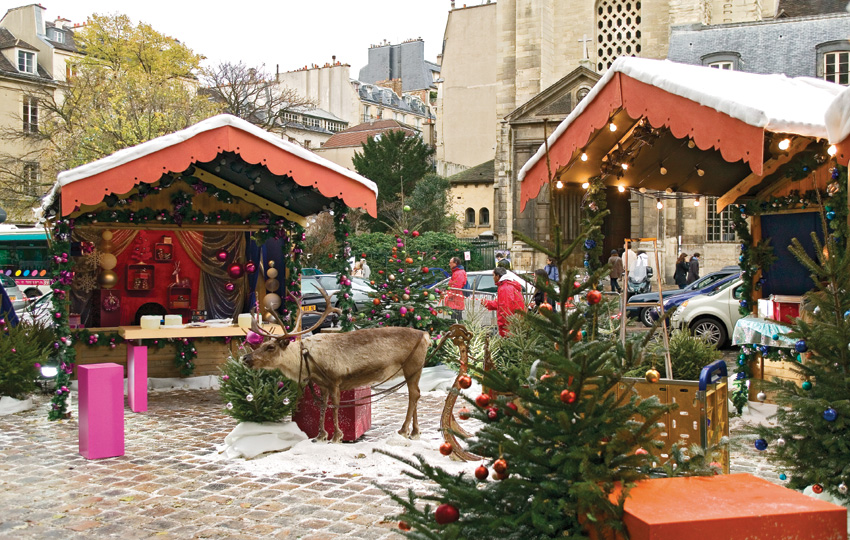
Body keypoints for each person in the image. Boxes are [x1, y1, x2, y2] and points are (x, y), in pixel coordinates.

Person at [481, 266, 526, 336]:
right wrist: (487, 303)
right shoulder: (508, 285)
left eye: (493, 275)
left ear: (498, 276)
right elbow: (500, 303)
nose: (493, 278)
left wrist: (502, 325)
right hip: (514, 322)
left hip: (509, 325)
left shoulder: (505, 288)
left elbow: (505, 308)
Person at [444, 256, 467, 321]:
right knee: (455, 318)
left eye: (450, 263)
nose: (449, 264)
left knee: (456, 319)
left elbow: (456, 287)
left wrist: (448, 294)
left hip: (456, 300)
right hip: (455, 300)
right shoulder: (457, 272)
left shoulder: (459, 273)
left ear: (455, 263)